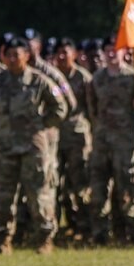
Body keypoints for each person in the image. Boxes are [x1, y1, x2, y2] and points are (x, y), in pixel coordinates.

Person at [0, 35, 68, 255]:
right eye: (8, 55)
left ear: (27, 56)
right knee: (3, 195)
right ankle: (3, 239)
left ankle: (44, 238)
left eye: (17, 55)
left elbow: (60, 108)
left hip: (33, 146)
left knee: (39, 193)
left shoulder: (39, 81)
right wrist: (0, 126)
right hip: (4, 146)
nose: (12, 60)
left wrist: (41, 125)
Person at [85, 45, 134, 245]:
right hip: (102, 142)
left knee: (129, 188)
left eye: (116, 49)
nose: (112, 53)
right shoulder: (97, 79)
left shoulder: (133, 77)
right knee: (98, 188)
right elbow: (92, 109)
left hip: (126, 143)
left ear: (124, 53)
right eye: (107, 50)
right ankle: (100, 234)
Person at [49, 38, 94, 238]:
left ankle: (83, 226)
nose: (61, 57)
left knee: (79, 183)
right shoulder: (51, 77)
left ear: (74, 54)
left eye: (65, 52)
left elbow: (92, 109)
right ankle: (55, 225)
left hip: (77, 137)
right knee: (55, 182)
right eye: (58, 53)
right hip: (55, 137)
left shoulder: (83, 78)